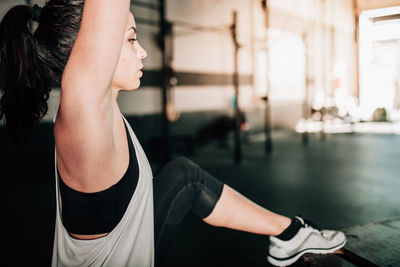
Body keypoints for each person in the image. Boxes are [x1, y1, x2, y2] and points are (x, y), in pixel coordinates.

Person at [0, 1, 346, 266]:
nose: (143, 51)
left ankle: (290, 234)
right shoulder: (84, 115)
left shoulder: (102, 111)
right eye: (131, 39)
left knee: (183, 176)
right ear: (90, 53)